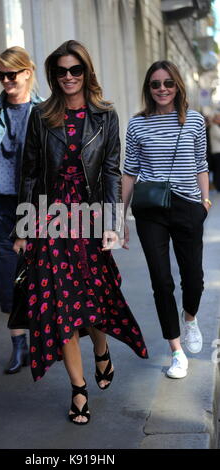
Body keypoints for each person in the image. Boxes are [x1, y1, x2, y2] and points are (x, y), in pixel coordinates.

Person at [12, 40, 148, 425]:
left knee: (94, 298)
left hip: (88, 218)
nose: (69, 77)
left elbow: (110, 171)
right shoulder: (41, 115)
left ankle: (101, 349)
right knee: (61, 305)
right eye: (61, 71)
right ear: (53, 76)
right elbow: (31, 171)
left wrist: (112, 224)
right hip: (51, 219)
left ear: (86, 72)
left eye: (76, 70)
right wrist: (23, 228)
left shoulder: (105, 116)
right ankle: (78, 389)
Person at [122, 60, 211, 380]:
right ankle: (176, 351)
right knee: (161, 281)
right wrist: (120, 217)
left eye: (168, 83)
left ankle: (189, 319)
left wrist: (204, 201)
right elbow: (130, 170)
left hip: (188, 207)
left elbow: (201, 163)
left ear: (178, 86)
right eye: (155, 84)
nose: (162, 89)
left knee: (194, 280)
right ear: (148, 89)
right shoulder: (137, 125)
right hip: (150, 211)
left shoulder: (195, 122)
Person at [0, 46, 43, 374]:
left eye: (10, 74)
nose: (5, 80)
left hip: (33, 206)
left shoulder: (44, 112)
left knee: (38, 275)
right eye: (0, 75)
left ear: (27, 72)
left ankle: (45, 341)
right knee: (6, 277)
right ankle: (19, 346)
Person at [208, 112, 220, 191]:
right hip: (217, 152)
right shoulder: (214, 127)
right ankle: (218, 186)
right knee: (218, 171)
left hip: (216, 152)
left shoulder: (215, 127)